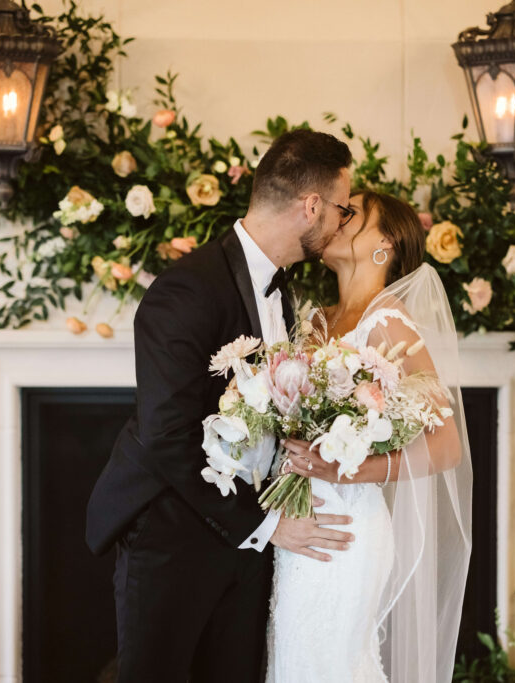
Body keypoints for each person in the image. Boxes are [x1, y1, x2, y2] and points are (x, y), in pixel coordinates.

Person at [85, 129, 359, 683]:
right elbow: (168, 435)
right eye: (341, 208)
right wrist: (265, 525)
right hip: (171, 532)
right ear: (311, 207)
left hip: (247, 537)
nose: (341, 222)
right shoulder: (187, 289)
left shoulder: (282, 292)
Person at [267, 191, 474, 682]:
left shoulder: (390, 324)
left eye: (351, 212)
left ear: (384, 243)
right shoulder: (315, 319)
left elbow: (446, 445)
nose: (335, 217)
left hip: (348, 529)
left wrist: (357, 468)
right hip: (298, 524)